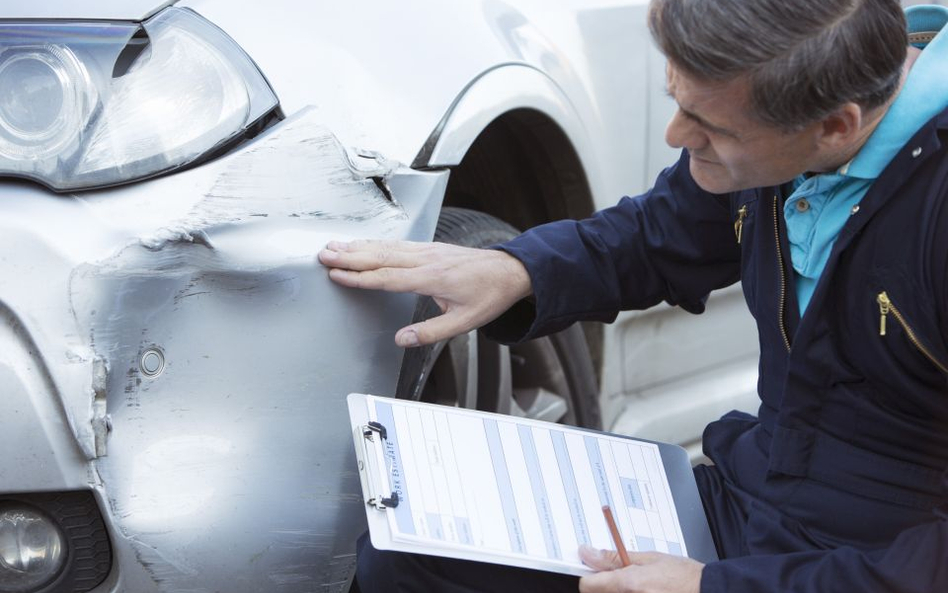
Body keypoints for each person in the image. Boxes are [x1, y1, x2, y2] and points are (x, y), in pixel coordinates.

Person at [318, 0, 948, 591]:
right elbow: (663, 233)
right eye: (675, 101)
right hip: (753, 502)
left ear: (835, 126)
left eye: (707, 125)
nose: (676, 135)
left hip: (879, 560)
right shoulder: (787, 121)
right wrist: (515, 271)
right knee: (413, 552)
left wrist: (713, 585)